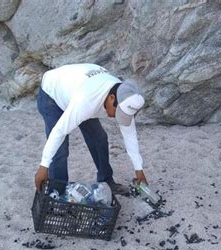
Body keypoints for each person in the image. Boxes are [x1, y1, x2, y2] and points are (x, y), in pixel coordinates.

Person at [34, 63, 148, 195]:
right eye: (117, 113)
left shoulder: (125, 96)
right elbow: (59, 131)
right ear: (111, 98)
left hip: (78, 89)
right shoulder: (86, 101)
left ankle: (106, 182)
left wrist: (139, 170)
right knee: (60, 149)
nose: (117, 118)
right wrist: (43, 166)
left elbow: (130, 136)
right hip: (52, 93)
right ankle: (57, 193)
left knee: (99, 139)